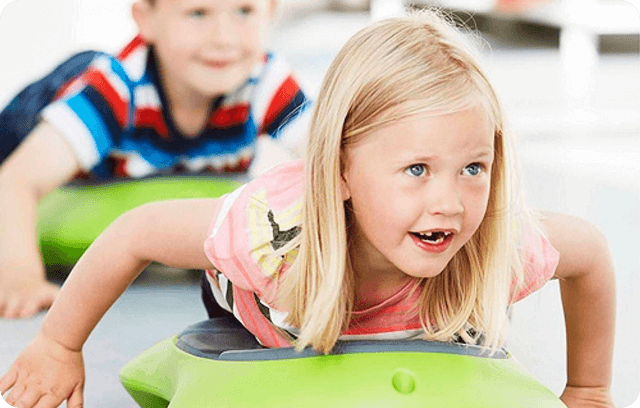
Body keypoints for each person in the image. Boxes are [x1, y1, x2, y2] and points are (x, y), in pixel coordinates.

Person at [0, 9, 615, 408]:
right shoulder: (270, 238)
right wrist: (58, 346)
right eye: (417, 170)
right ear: (340, 172)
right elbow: (137, 230)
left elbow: (589, 253)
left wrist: (588, 388)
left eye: (473, 168)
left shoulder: (492, 243)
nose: (449, 203)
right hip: (259, 279)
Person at [0, 0, 311, 319]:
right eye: (197, 13)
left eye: (244, 11)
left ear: (270, 12)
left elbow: (327, 149)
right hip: (41, 118)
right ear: (145, 19)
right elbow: (15, 182)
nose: (224, 38)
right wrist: (20, 276)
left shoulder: (265, 76)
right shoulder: (117, 88)